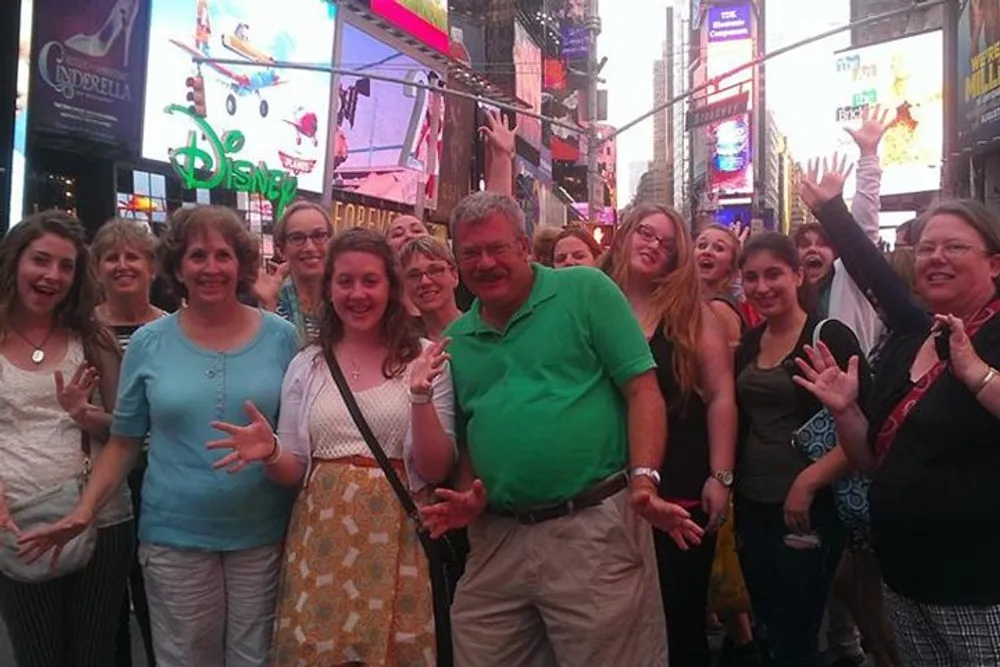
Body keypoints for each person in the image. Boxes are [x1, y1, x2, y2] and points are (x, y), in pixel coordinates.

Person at [421, 191, 703, 667]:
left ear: (525, 247)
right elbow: (472, 432)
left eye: (497, 248)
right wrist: (470, 492)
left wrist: (644, 479)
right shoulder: (458, 342)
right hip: (498, 539)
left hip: (592, 529)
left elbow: (643, 391)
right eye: (470, 253)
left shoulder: (585, 291)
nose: (485, 262)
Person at [17, 205, 300, 666]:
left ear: (242, 264)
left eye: (223, 255)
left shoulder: (282, 337)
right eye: (197, 256)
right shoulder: (150, 342)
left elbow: (296, 436)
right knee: (187, 658)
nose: (211, 268)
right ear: (176, 267)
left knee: (258, 658)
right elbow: (126, 440)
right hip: (175, 536)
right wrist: (84, 510)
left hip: (264, 534)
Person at [209, 227, 457, 666]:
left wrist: (419, 395)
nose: (357, 294)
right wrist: (269, 451)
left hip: (396, 536)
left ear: (390, 288)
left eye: (370, 281)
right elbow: (294, 469)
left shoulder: (424, 357)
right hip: (321, 539)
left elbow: (436, 470)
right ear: (329, 289)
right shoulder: (309, 363)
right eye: (345, 281)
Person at [796, 162, 1000, 666]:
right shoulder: (914, 335)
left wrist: (978, 375)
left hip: (980, 589)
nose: (936, 258)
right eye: (926, 247)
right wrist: (845, 411)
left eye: (955, 247)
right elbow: (870, 460)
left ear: (995, 264)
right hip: (905, 579)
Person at [604, 203, 737, 667]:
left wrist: (720, 476)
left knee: (678, 617)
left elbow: (721, 395)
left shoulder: (690, 314)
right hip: (603, 487)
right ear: (624, 236)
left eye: (666, 243)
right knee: (613, 622)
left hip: (678, 480)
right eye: (645, 233)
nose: (652, 246)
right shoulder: (594, 302)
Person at [0, 211, 130, 667]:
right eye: (41, 260)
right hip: (15, 522)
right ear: (16, 260)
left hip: (99, 517)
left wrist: (85, 414)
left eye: (66, 266)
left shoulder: (91, 338)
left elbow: (127, 432)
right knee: (37, 654)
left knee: (93, 652)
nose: (52, 275)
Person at [734, 232, 870, 667]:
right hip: (753, 505)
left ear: (796, 275)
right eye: (751, 277)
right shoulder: (751, 342)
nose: (762, 287)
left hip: (810, 508)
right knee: (769, 624)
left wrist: (809, 482)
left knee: (798, 630)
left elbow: (868, 427)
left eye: (773, 274)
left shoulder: (827, 336)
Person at [91, 218, 164, 667]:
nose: (122, 265)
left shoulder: (175, 328)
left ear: (152, 267)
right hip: (104, 476)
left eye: (133, 256)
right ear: (97, 269)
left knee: (156, 596)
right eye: (111, 257)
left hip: (160, 478)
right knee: (106, 603)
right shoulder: (82, 329)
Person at [254, 201, 334, 343]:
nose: (309, 247)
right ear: (282, 249)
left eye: (319, 236)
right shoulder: (269, 300)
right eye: (297, 238)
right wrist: (268, 306)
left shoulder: (347, 300)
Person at [400, 235, 462, 341]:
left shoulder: (484, 330)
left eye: (435, 270)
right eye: (414, 275)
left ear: (454, 274)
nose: (425, 281)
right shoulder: (400, 343)